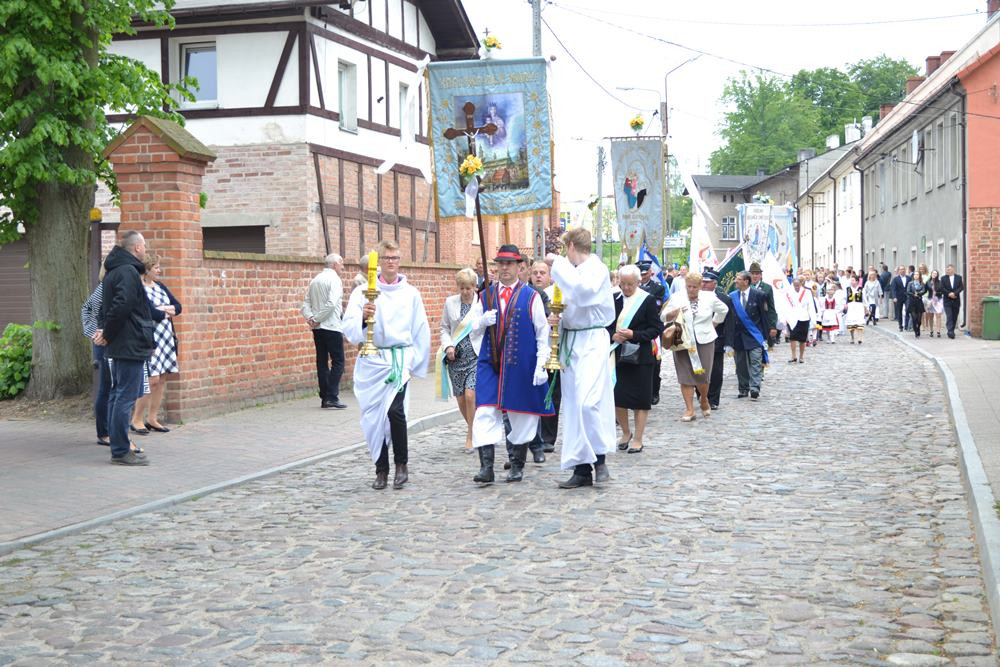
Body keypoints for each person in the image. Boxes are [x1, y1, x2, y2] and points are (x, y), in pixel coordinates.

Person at [342, 239, 430, 490]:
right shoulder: (362, 293)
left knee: (395, 412)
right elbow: (348, 328)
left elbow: (420, 328)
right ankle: (381, 469)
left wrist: (415, 362)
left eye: (395, 258)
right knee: (374, 418)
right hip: (372, 359)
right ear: (378, 262)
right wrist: (362, 317)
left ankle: (401, 464)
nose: (391, 262)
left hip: (398, 359)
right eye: (387, 258)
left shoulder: (410, 293)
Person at [470, 244, 550, 485]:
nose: (504, 268)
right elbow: (471, 328)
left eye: (509, 263)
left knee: (521, 415)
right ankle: (486, 468)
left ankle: (517, 465)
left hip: (520, 363)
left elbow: (542, 331)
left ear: (519, 267)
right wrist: (482, 321)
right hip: (490, 363)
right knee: (484, 411)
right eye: (500, 263)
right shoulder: (485, 296)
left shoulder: (531, 296)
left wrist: (541, 363)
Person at [546, 228, 616, 489]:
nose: (566, 255)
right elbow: (564, 303)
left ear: (572, 246)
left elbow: (583, 294)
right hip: (571, 341)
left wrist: (560, 265)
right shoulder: (569, 274)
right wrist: (556, 319)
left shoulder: (596, 270)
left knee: (589, 401)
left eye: (567, 250)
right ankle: (581, 468)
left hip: (592, 341)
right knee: (574, 407)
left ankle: (599, 457)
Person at [99, 231, 154, 466]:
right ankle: (121, 450)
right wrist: (108, 333)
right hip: (129, 342)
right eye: (144, 246)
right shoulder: (128, 271)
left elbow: (112, 306)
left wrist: (107, 333)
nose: (145, 250)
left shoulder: (115, 271)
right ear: (137, 248)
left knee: (118, 394)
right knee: (125, 396)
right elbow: (122, 305)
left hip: (122, 341)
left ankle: (119, 446)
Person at [610, 265, 663, 453]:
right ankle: (626, 432)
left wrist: (634, 334)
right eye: (622, 284)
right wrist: (612, 336)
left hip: (640, 356)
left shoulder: (646, 300)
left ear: (638, 282)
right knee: (618, 397)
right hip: (617, 355)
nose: (626, 288)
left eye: (630, 284)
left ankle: (638, 438)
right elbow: (606, 324)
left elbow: (656, 328)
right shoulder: (613, 298)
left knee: (641, 399)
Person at [662, 272, 729, 420]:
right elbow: (662, 316)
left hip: (704, 340)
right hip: (682, 340)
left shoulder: (709, 297)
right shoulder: (677, 297)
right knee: (685, 375)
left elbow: (724, 310)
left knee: (702, 375)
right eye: (688, 286)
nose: (691, 290)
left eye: (694, 287)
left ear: (700, 286)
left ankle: (704, 399)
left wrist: (715, 323)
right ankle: (689, 409)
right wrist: (672, 313)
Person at [128, 254, 182, 435]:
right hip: (150, 338)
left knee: (163, 379)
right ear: (147, 270)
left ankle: (152, 417)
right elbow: (151, 313)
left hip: (166, 337)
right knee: (151, 379)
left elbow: (178, 307)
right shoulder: (139, 288)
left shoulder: (160, 287)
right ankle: (136, 418)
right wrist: (166, 311)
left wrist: (164, 310)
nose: (159, 270)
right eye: (156, 267)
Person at [438, 268, 484, 452]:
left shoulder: (481, 304)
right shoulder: (450, 303)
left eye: (468, 288)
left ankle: (471, 436)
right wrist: (448, 346)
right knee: (461, 400)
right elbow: (444, 328)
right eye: (462, 288)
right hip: (455, 358)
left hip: (475, 356)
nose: (465, 291)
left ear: (475, 286)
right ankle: (474, 428)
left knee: (470, 395)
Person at [301, 253, 346, 409]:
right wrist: (318, 318)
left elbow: (305, 303)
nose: (343, 267)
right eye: (341, 263)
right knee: (338, 361)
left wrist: (311, 318)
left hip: (318, 328)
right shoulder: (335, 280)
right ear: (334, 264)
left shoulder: (315, 280)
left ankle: (324, 397)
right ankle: (331, 396)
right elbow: (332, 303)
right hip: (331, 325)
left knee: (322, 362)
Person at [532, 260, 560, 454]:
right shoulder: (525, 294)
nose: (539, 276)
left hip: (552, 350)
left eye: (543, 272)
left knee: (551, 395)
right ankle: (531, 436)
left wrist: (556, 319)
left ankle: (548, 437)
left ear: (549, 276)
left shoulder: (556, 294)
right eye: (535, 272)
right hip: (531, 352)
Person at [81, 275, 112, 447]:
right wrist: (93, 333)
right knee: (106, 388)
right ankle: (104, 432)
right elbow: (87, 308)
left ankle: (110, 429)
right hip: (103, 343)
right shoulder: (104, 287)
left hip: (113, 342)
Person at [729, 271, 768, 400]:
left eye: (738, 279)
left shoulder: (759, 295)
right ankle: (743, 388)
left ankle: (755, 387)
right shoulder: (732, 296)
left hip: (754, 335)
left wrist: (766, 337)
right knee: (741, 365)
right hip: (738, 336)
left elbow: (764, 317)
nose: (735, 281)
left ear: (746, 281)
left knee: (756, 361)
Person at [702, 269, 735, 410]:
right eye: (702, 281)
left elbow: (730, 323)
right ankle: (702, 394)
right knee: (700, 370)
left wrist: (729, 343)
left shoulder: (724, 299)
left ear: (714, 284)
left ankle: (713, 399)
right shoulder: (695, 297)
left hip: (717, 340)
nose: (703, 284)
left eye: (707, 282)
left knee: (715, 371)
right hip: (699, 340)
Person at [637, 260, 666, 405]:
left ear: (650, 272)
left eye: (645, 273)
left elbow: (657, 306)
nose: (643, 277)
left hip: (652, 328)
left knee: (655, 362)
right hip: (637, 328)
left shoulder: (657, 288)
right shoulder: (632, 286)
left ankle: (654, 391)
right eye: (640, 274)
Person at [748, 262, 778, 348]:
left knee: (762, 348)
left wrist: (773, 326)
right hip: (748, 321)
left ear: (761, 275)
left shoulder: (767, 288)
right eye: (752, 274)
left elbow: (771, 307)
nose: (755, 276)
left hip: (763, 322)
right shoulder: (745, 286)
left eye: (757, 274)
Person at [786, 278, 813, 363]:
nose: (797, 287)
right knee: (792, 337)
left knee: (802, 338)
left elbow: (810, 305)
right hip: (793, 317)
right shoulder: (789, 293)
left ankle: (801, 357)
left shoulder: (807, 292)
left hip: (804, 317)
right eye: (795, 285)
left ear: (801, 284)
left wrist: (813, 317)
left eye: (798, 285)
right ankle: (793, 356)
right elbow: (787, 305)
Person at [942, 264, 964, 338]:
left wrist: (955, 293)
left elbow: (961, 287)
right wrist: (949, 294)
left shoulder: (958, 278)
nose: (947, 270)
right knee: (949, 316)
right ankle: (950, 331)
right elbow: (942, 288)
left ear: (953, 270)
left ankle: (952, 329)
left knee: (954, 316)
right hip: (947, 300)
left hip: (956, 299)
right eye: (947, 269)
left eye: (949, 269)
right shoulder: (943, 278)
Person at [845, 276, 866, 344]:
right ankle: (852, 337)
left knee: (859, 322)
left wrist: (866, 307)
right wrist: (845, 304)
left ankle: (859, 337)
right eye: (851, 280)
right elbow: (845, 298)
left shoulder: (861, 289)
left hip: (859, 306)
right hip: (851, 306)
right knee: (851, 323)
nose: (852, 282)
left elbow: (864, 299)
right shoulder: (848, 289)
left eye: (853, 280)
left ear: (857, 281)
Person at [906, 269, 927, 338]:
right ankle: (916, 331)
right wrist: (913, 294)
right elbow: (908, 291)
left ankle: (918, 327)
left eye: (917, 274)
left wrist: (918, 293)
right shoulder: (910, 283)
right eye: (915, 274)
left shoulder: (922, 283)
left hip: (919, 301)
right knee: (914, 318)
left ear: (919, 276)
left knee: (919, 319)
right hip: (912, 302)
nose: (916, 276)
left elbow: (924, 290)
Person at [890, 266, 909, 331]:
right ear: (899, 271)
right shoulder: (895, 279)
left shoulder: (909, 278)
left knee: (907, 310)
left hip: (907, 297)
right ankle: (900, 325)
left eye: (903, 269)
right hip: (898, 297)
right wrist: (894, 297)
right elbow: (893, 289)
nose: (902, 270)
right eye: (901, 269)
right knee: (899, 311)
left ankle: (906, 325)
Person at [926, 270, 944, 338]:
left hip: (938, 300)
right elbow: (924, 290)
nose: (934, 274)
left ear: (937, 274)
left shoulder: (940, 282)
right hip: (930, 300)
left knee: (938, 315)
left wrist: (937, 293)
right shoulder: (928, 282)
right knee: (931, 316)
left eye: (935, 273)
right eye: (933, 273)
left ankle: (938, 331)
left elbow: (942, 291)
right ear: (931, 274)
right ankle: (931, 330)